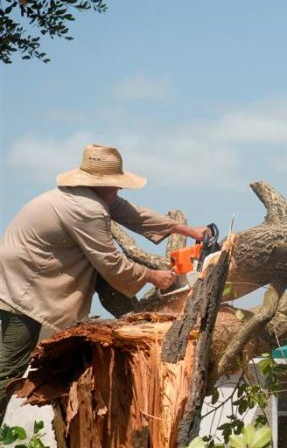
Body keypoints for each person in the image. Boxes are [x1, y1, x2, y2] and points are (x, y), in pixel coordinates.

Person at [0, 144, 209, 424]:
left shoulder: (93, 196)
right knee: (10, 366)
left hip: (33, 269)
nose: (120, 191)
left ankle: (133, 321)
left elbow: (135, 215)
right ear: (104, 183)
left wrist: (187, 230)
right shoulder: (87, 208)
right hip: (24, 283)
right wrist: (152, 275)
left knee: (104, 278)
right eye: (118, 186)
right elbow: (111, 263)